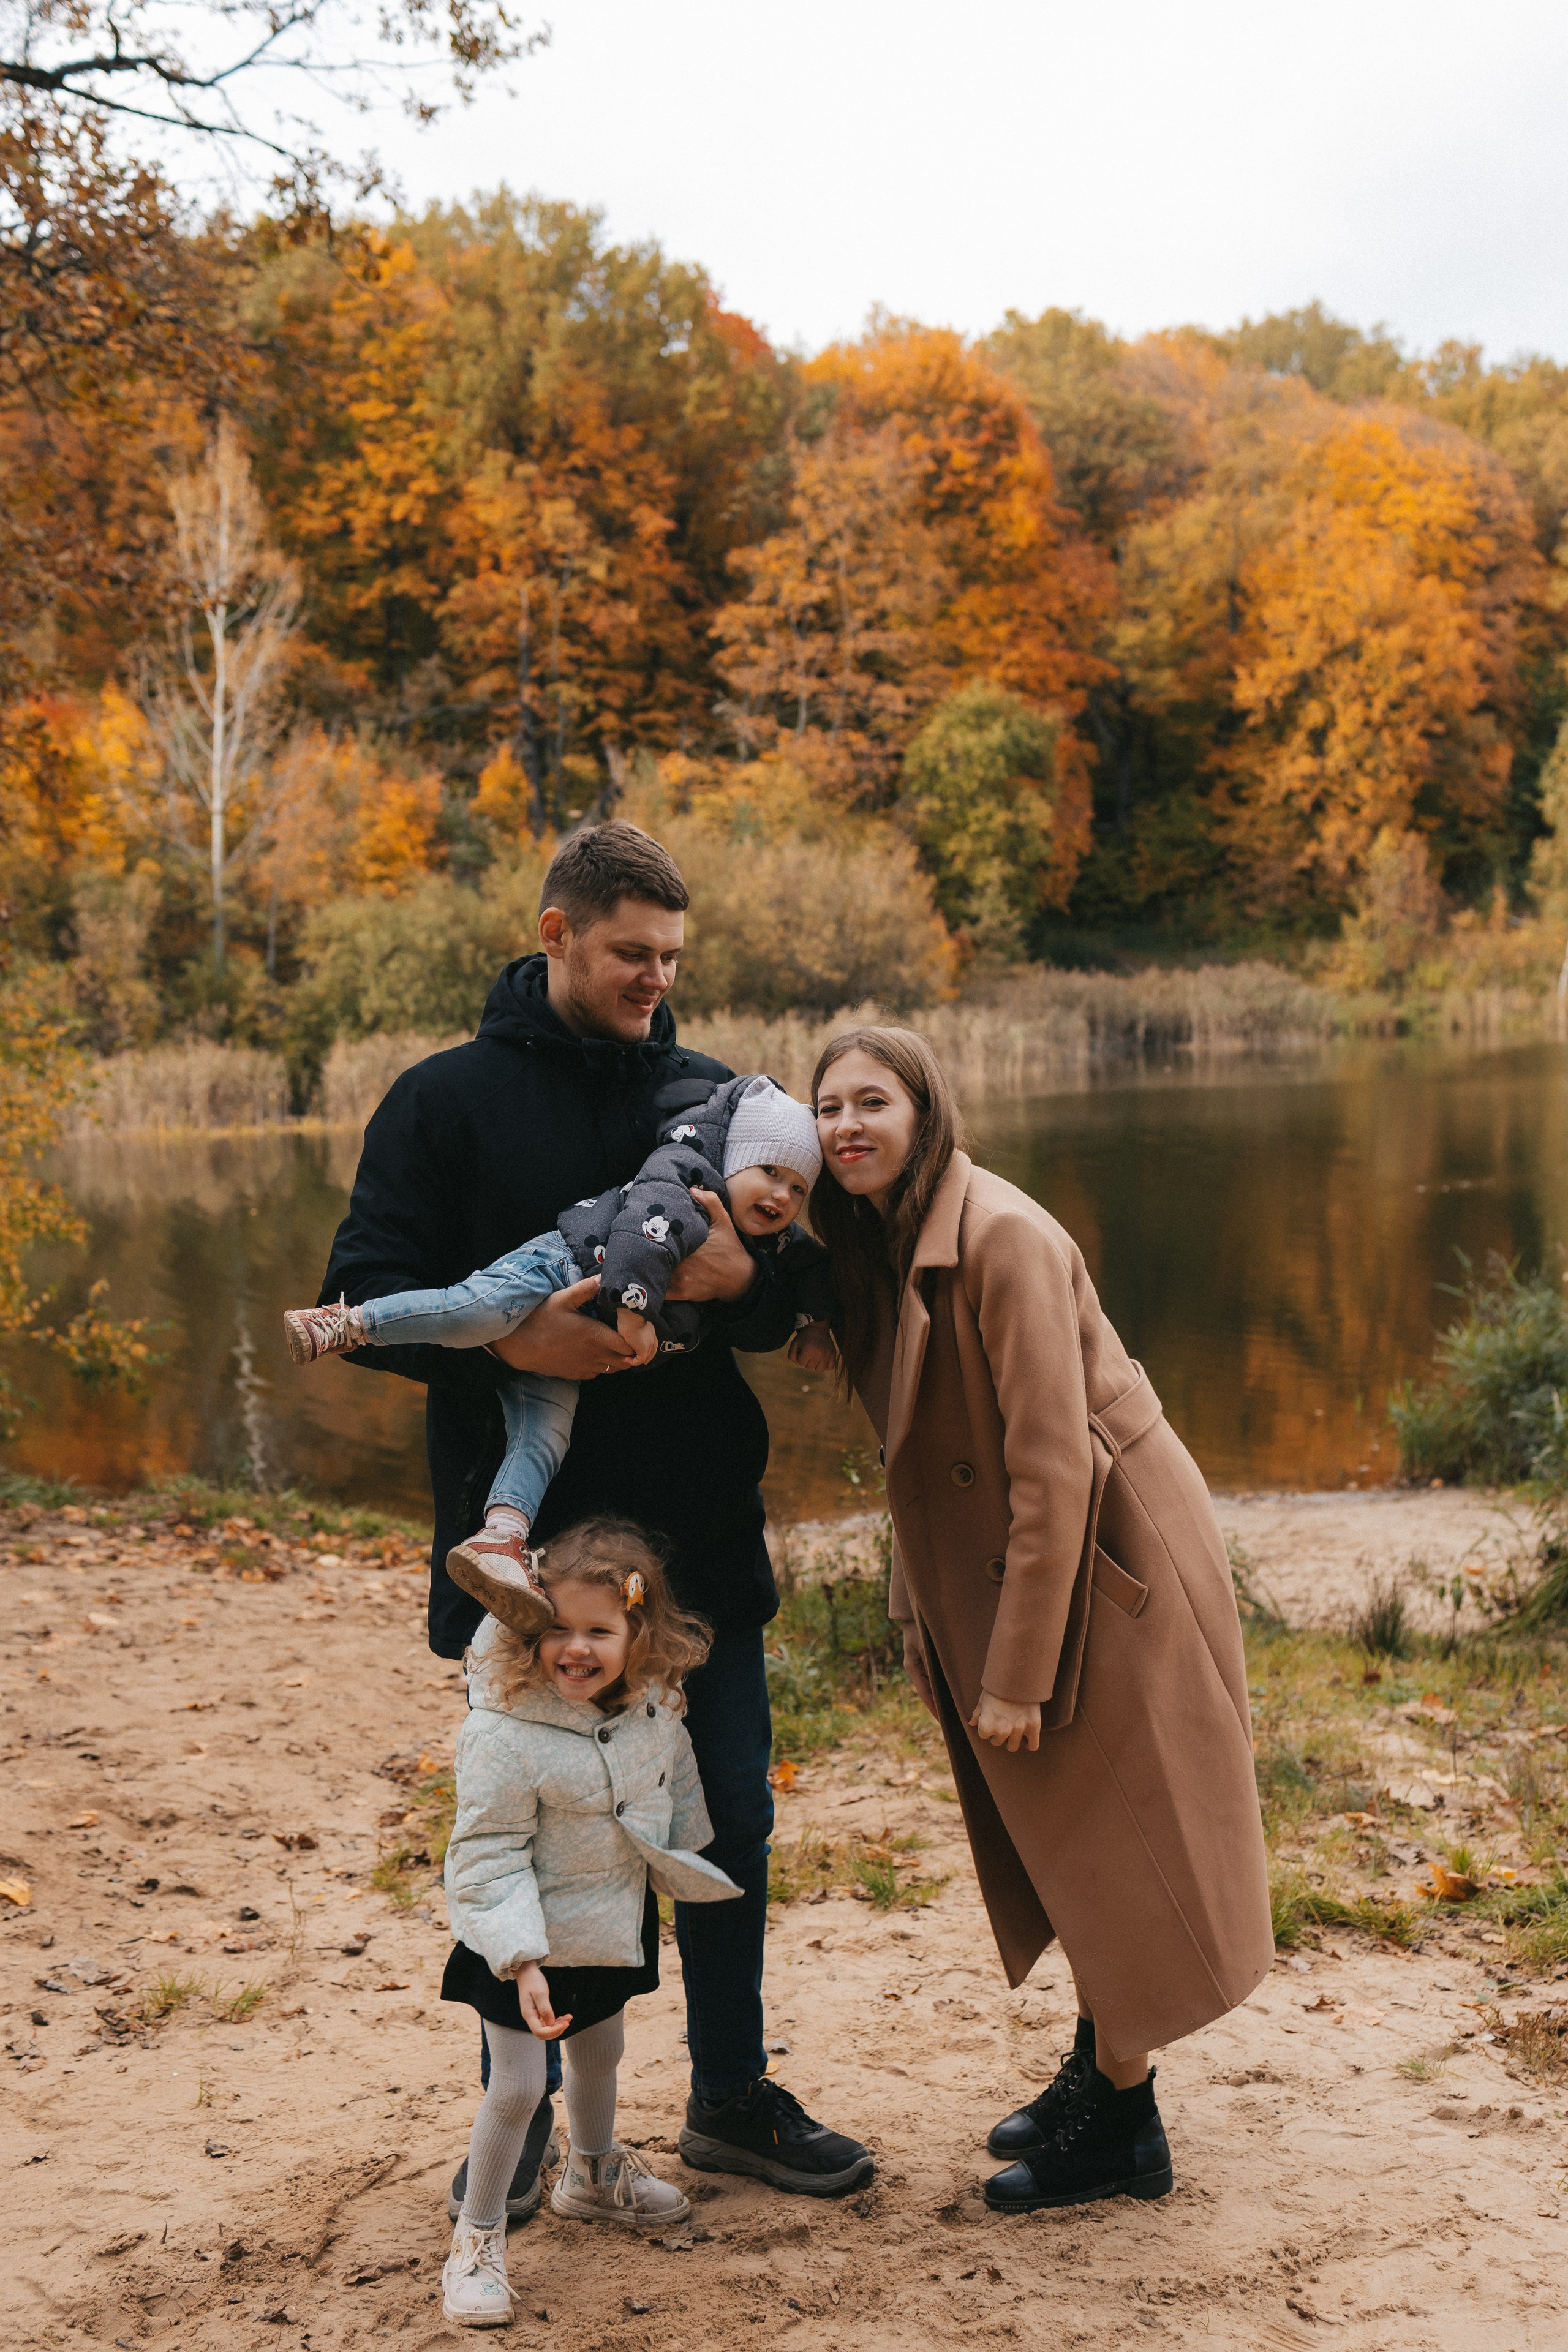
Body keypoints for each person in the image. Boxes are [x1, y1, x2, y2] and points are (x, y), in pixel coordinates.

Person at [317, 820, 872, 2212]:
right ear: (554, 930)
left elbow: (782, 1278)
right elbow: (371, 1295)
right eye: (632, 952)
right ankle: (527, 2130)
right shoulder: (439, 1103)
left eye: (672, 957)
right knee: (555, 1841)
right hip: (539, 1556)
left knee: (730, 1821)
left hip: (700, 1534)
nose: (654, 978)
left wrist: (722, 1285)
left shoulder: (709, 1090)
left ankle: (732, 2100)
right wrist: (516, 1349)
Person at [810, 1025, 1274, 2215]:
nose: (847, 1125)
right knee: (1076, 1833)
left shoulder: (1001, 1236)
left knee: (1114, 1828)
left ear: (925, 1114)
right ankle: (1095, 2070)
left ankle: (1122, 2127)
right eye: (828, 1108)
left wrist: (1015, 1672)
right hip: (1025, 1557)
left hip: (1103, 1550)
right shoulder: (889, 1240)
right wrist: (918, 1608)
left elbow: (1050, 1468)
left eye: (873, 1101)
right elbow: (916, 1459)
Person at [285, 1076, 835, 1634]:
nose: (783, 1197)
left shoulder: (766, 1233)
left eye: (799, 1189)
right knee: (471, 1310)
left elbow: (812, 1267)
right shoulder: (688, 1183)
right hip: (559, 1267)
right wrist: (633, 1314)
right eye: (771, 1173)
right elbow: (643, 1234)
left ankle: (501, 1537)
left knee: (544, 1436)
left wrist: (807, 1322)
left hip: (584, 1361)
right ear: (737, 1160)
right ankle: (350, 1321)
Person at [441, 1518, 737, 2323]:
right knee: (517, 2087)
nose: (575, 1648)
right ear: (526, 1629)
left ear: (640, 1632)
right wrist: (520, 1959)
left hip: (609, 1924)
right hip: (520, 1941)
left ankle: (595, 2175)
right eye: (556, 1629)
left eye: (599, 1630)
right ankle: (478, 2238)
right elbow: (486, 1855)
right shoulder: (504, 1732)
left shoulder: (655, 1707)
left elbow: (676, 1782)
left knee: (602, 2049)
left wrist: (686, 1858)